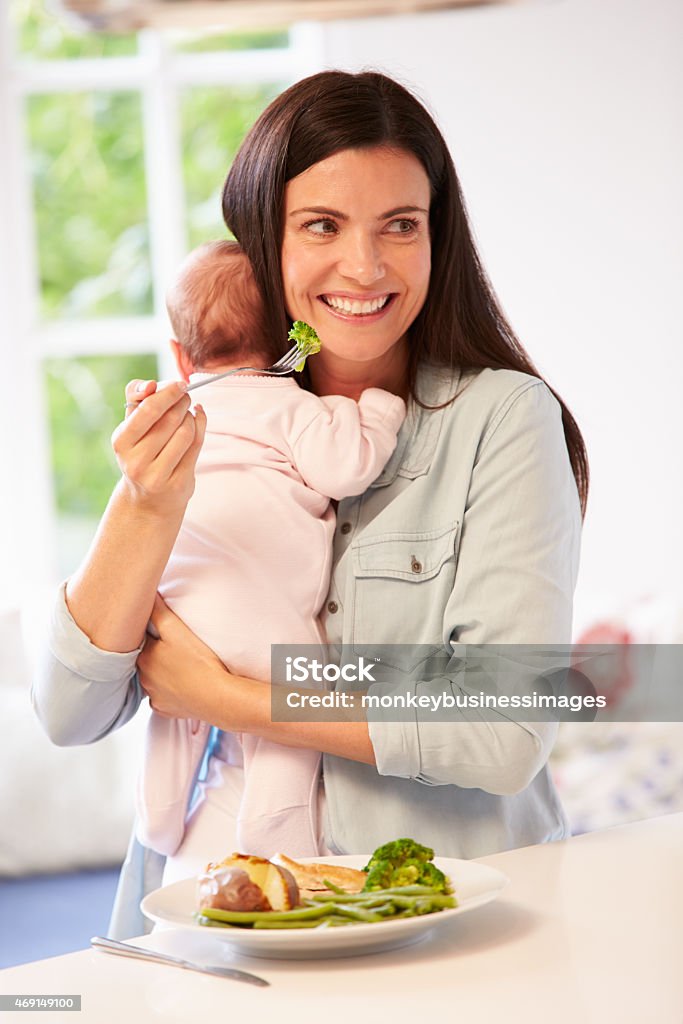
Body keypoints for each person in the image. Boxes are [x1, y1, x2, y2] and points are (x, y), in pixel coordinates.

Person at [33, 70, 588, 939]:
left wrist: (231, 696)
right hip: (212, 930)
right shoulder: (205, 417)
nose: (364, 267)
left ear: (436, 240)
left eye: (400, 226)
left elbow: (504, 727)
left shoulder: (501, 421)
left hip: (446, 937)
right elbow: (69, 713)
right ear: (262, 240)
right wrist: (145, 505)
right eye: (320, 225)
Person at [136, 238, 405, 872]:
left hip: (182, 616)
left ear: (180, 356)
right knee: (290, 715)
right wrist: (377, 408)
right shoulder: (292, 407)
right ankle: (274, 829)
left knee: (175, 714)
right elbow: (347, 467)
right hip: (266, 622)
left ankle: (157, 813)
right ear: (290, 337)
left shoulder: (180, 417)